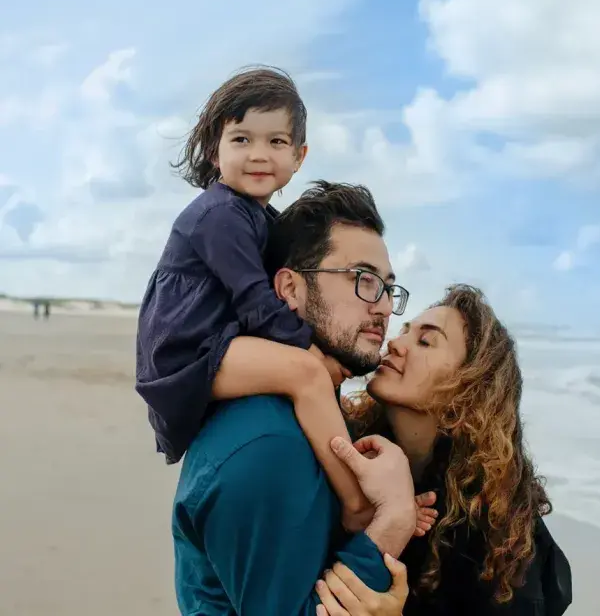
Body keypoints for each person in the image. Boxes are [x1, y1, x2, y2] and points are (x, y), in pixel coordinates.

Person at [135, 66, 412, 530]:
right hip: (186, 349)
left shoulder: (263, 219)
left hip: (216, 339)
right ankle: (355, 501)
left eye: (277, 142)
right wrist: (311, 351)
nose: (259, 155)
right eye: (241, 139)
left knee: (313, 373)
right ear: (213, 149)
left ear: (300, 156)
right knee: (305, 372)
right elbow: (256, 302)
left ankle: (334, 454)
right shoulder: (219, 215)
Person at [171, 181, 432, 615]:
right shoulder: (270, 445)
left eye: (389, 288)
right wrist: (393, 519)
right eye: (364, 280)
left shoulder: (313, 415)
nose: (385, 307)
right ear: (290, 289)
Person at [315, 284, 573, 616]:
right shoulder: (351, 446)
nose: (394, 342)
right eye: (405, 331)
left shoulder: (497, 536)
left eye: (425, 341)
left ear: (468, 390)